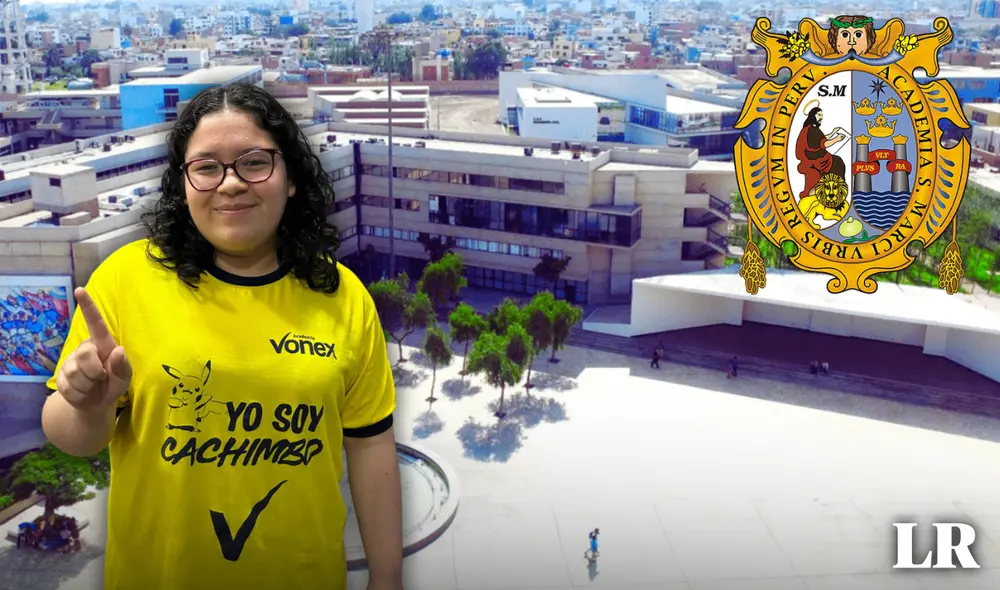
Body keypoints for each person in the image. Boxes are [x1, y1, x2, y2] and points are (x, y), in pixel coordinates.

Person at [41, 84, 404, 590]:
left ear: (292, 177)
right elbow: (73, 437)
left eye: (254, 162)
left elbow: (369, 446)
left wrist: (387, 579)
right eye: (207, 167)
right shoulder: (125, 280)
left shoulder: (343, 297)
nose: (230, 184)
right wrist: (89, 402)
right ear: (183, 183)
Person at [795, 105, 848, 198]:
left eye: (822, 115)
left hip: (813, 158)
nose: (821, 118)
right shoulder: (812, 130)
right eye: (819, 115)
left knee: (836, 160)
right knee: (838, 162)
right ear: (813, 115)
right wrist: (837, 139)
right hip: (815, 160)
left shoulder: (810, 129)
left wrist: (832, 133)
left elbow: (821, 139)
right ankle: (838, 190)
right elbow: (824, 144)